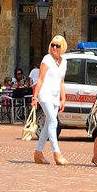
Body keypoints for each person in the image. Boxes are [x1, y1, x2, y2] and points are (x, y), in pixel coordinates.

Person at [31, 34, 68, 165]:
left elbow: (61, 81)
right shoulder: (47, 59)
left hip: (55, 95)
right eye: (52, 45)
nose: (54, 48)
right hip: (45, 94)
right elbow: (40, 79)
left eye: (57, 46)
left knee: (48, 124)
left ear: (62, 47)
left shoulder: (64, 62)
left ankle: (38, 153)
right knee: (53, 121)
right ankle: (56, 152)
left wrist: (63, 98)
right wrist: (35, 97)